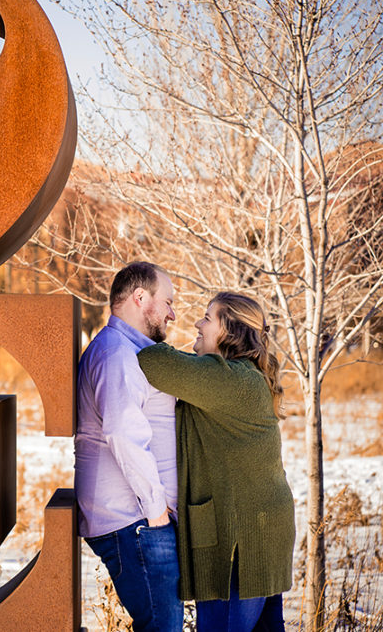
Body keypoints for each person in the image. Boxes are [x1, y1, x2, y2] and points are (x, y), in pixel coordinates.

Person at [137, 292, 294, 632]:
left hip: (241, 539)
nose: (197, 322)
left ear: (231, 331)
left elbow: (154, 362)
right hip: (261, 531)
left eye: (208, 318)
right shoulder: (242, 376)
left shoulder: (229, 379)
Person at [75, 261, 182, 632]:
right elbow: (123, 434)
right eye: (167, 301)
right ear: (140, 298)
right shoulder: (116, 354)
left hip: (139, 521)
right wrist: (156, 514)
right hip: (134, 522)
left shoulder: (126, 350)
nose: (173, 312)